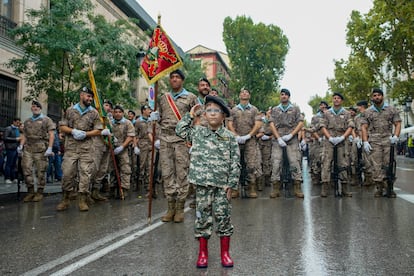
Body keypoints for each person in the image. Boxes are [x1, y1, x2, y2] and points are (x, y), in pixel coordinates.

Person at [175, 95, 240, 268]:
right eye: (208, 110)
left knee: (223, 218)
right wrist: (190, 115)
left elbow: (235, 162)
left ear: (223, 116)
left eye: (216, 111)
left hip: (222, 186)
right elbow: (179, 130)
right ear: (204, 114)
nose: (212, 114)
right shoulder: (197, 132)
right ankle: (203, 254)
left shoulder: (229, 137)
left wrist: (231, 185)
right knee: (202, 219)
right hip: (202, 185)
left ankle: (225, 253)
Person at [150, 69, 198, 223]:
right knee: (167, 173)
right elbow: (160, 118)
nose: (174, 79)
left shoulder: (191, 97)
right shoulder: (164, 98)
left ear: (182, 80)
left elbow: (198, 118)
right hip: (165, 139)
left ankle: (179, 208)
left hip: (182, 140)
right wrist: (154, 118)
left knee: (182, 173)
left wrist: (193, 139)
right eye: (172, 77)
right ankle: (170, 207)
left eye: (177, 77)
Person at [56, 86, 103, 212]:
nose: (90, 99)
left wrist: (86, 134)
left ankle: (82, 199)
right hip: (71, 147)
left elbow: (99, 130)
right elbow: (62, 127)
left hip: (87, 148)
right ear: (81, 95)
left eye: (91, 97)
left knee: (85, 174)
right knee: (67, 173)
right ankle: (66, 198)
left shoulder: (94, 112)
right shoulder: (70, 110)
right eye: (88, 96)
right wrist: (73, 131)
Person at [361, 88, 401, 197]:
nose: (377, 97)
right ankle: (379, 187)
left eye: (378, 95)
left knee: (389, 164)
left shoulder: (391, 109)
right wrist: (365, 141)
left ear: (382, 96)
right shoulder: (367, 112)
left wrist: (396, 136)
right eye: (374, 95)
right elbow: (364, 127)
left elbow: (397, 123)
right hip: (374, 141)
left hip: (388, 140)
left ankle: (390, 187)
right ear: (372, 98)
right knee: (376, 165)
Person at [268, 88, 305, 198]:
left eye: (285, 95)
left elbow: (300, 123)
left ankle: (297, 187)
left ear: (289, 97)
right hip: (277, 139)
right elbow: (271, 124)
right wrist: (278, 137)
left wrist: (291, 134)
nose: (283, 96)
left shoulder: (295, 109)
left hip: (291, 139)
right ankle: (275, 187)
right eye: (282, 94)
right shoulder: (275, 109)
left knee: (294, 162)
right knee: (276, 162)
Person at [227, 88, 262, 198]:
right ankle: (235, 188)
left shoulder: (254, 109)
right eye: (242, 92)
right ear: (239, 96)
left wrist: (249, 135)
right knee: (235, 164)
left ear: (249, 96)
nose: (244, 93)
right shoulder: (233, 110)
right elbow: (229, 123)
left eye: (247, 92)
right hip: (236, 140)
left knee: (251, 164)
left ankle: (251, 187)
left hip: (250, 140)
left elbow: (258, 124)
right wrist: (236, 135)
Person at [19, 100, 55, 202]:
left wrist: (50, 148)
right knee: (26, 169)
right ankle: (30, 191)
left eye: (37, 107)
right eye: (33, 107)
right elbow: (24, 135)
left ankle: (39, 192)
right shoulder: (27, 121)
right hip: (28, 148)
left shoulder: (46, 120)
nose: (35, 108)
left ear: (40, 108)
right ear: (31, 108)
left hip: (41, 148)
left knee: (41, 171)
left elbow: (52, 134)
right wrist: (21, 145)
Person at [319, 92, 354, 197]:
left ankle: (344, 188)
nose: (336, 100)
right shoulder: (326, 113)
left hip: (342, 141)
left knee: (343, 164)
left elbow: (351, 126)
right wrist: (329, 137)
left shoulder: (347, 113)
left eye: (338, 98)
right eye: (334, 98)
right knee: (326, 163)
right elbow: (322, 126)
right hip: (329, 141)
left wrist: (343, 137)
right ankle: (325, 187)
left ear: (341, 101)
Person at [106, 105, 135, 197]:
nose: (118, 114)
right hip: (111, 149)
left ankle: (124, 189)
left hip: (123, 149)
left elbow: (130, 136)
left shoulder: (127, 123)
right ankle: (113, 188)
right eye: (116, 112)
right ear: (113, 113)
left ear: (123, 113)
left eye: (120, 112)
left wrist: (122, 147)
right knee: (112, 169)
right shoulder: (109, 123)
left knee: (125, 169)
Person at [90, 99, 114, 201]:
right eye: (105, 105)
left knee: (103, 169)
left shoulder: (109, 118)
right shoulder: (94, 115)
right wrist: (100, 132)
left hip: (107, 145)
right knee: (93, 168)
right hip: (96, 144)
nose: (106, 107)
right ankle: (85, 192)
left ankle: (95, 191)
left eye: (108, 106)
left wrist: (113, 137)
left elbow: (111, 131)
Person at [133, 104, 152, 195]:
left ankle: (148, 187)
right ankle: (138, 183)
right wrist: (135, 146)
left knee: (150, 166)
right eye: (148, 109)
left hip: (151, 144)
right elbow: (135, 134)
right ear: (143, 111)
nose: (150, 111)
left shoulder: (151, 121)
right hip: (142, 144)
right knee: (141, 165)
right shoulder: (138, 121)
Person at [256, 109, 273, 189]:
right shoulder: (260, 120)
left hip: (268, 142)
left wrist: (269, 137)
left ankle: (267, 179)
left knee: (267, 161)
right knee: (258, 161)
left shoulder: (273, 121)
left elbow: (277, 132)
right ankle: (259, 180)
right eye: (269, 111)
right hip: (258, 141)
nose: (270, 113)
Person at [3, 118, 21, 184]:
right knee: (9, 164)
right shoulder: (8, 128)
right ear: (13, 122)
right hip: (10, 148)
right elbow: (5, 138)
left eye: (19, 123)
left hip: (16, 148)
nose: (18, 124)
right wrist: (16, 139)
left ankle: (13, 178)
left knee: (14, 164)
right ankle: (7, 178)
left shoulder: (17, 129)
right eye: (17, 122)